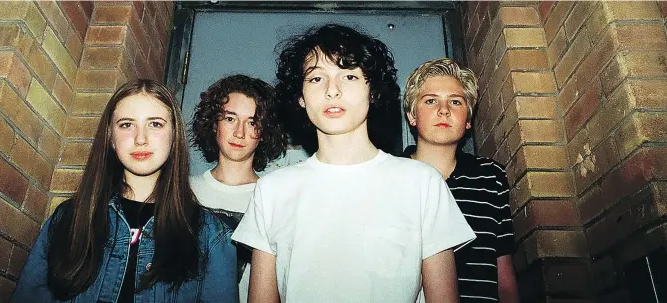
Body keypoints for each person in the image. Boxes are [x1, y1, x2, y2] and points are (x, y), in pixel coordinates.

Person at [231, 24, 476, 303]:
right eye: (316, 79)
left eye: (348, 76)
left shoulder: (422, 183)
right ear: (300, 96)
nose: (332, 91)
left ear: (372, 91)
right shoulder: (272, 191)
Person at [12, 79, 238, 302]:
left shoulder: (210, 235)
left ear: (174, 136)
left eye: (155, 124)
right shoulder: (67, 219)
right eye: (127, 125)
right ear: (111, 137)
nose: (141, 139)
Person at [401, 58, 519, 302]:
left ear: (467, 120)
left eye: (455, 101)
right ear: (412, 116)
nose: (444, 110)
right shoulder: (391, 176)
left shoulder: (490, 176)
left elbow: (503, 272)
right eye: (431, 100)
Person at [189, 74, 287, 303]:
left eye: (252, 122)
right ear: (214, 124)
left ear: (263, 133)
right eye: (230, 118)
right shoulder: (183, 190)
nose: (240, 133)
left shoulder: (273, 198)